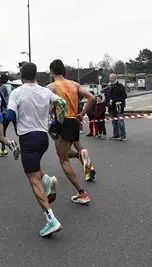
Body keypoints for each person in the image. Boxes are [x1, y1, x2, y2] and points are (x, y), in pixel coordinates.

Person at [6, 62, 66, 237]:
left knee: (33, 180)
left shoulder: (17, 92)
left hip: (28, 138)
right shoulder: (45, 91)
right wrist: (58, 121)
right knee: (35, 167)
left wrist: (4, 129)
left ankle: (51, 220)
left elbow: (10, 115)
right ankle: (47, 179)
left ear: (22, 75)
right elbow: (61, 102)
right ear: (36, 75)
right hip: (43, 138)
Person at [47, 59, 95, 203]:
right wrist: (82, 114)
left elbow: (47, 107)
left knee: (63, 159)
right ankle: (83, 156)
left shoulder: (51, 87)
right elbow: (92, 97)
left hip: (62, 122)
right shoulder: (75, 84)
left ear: (52, 71)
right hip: (74, 120)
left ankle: (82, 193)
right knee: (74, 143)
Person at [0, 74, 18, 157]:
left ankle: (3, 150)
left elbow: (0, 102)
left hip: (5, 112)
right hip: (14, 111)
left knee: (3, 132)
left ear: (1, 80)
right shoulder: (13, 88)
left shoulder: (0, 89)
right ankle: (25, 147)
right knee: (18, 130)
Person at [108, 73, 127, 141]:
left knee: (120, 122)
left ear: (115, 78)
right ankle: (116, 135)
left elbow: (124, 96)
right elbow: (108, 97)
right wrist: (107, 103)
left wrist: (117, 101)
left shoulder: (120, 86)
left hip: (119, 107)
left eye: (112, 78)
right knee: (114, 122)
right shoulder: (109, 87)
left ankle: (123, 136)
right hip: (112, 107)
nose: (110, 79)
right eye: (110, 78)